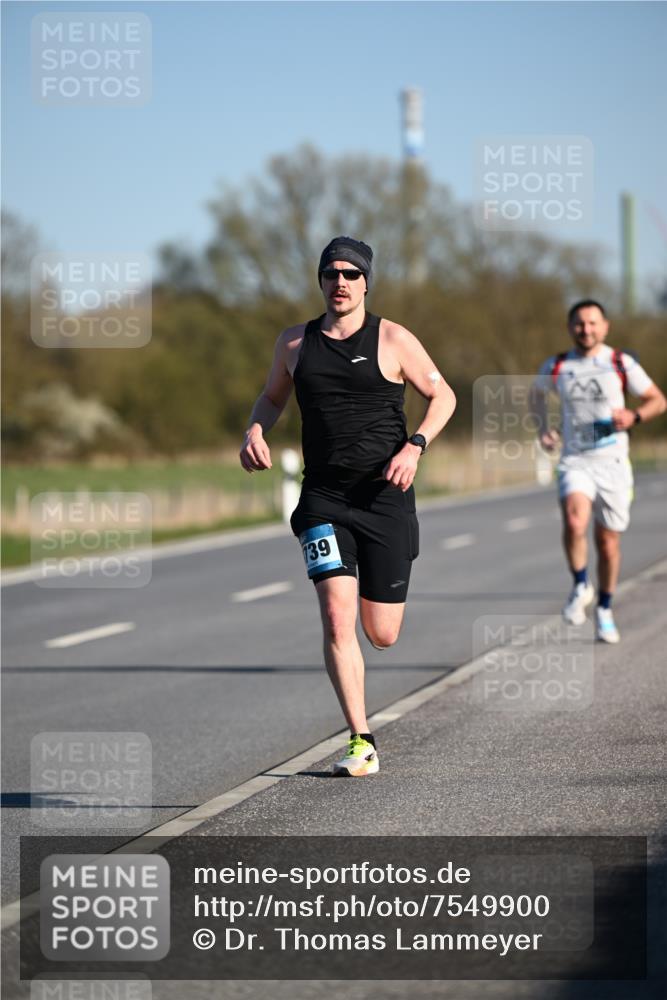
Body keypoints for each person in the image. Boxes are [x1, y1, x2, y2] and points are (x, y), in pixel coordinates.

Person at [240, 236, 456, 775]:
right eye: (331, 273)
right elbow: (271, 397)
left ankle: (363, 717)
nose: (341, 282)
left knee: (381, 634)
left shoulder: (394, 338)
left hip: (385, 497)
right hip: (323, 499)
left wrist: (416, 446)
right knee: (338, 621)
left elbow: (443, 396)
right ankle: (361, 739)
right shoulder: (295, 344)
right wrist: (254, 429)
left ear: (366, 282)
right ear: (320, 280)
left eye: (351, 274)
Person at [531, 299, 666, 643]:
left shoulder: (620, 362)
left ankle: (605, 607)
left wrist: (634, 416)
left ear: (604, 327)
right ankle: (580, 585)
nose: (586, 329)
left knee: (607, 543)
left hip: (613, 462)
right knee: (575, 520)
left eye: (592, 323)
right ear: (570, 327)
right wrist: (543, 429)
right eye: (579, 323)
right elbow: (535, 396)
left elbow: (657, 400)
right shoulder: (558, 365)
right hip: (576, 459)